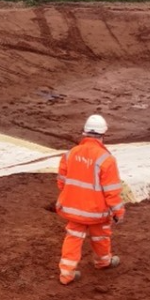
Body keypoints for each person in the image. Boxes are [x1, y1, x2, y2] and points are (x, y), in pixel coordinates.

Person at [54, 114, 126, 285]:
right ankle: (103, 262)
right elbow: (112, 191)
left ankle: (66, 274)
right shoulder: (106, 159)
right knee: (101, 236)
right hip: (97, 211)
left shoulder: (70, 154)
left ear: (84, 133)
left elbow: (61, 182)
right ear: (103, 135)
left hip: (73, 209)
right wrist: (118, 211)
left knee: (73, 237)